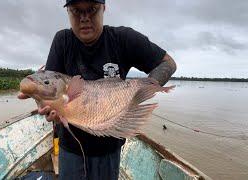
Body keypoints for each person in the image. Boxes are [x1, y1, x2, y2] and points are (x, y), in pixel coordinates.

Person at [19, 0, 177, 179]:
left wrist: (142, 92)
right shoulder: (62, 40)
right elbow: (49, 84)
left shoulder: (123, 38)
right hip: (70, 148)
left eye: (92, 10)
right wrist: (43, 104)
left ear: (104, 8)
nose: (84, 18)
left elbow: (168, 63)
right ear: (68, 11)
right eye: (76, 11)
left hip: (108, 149)